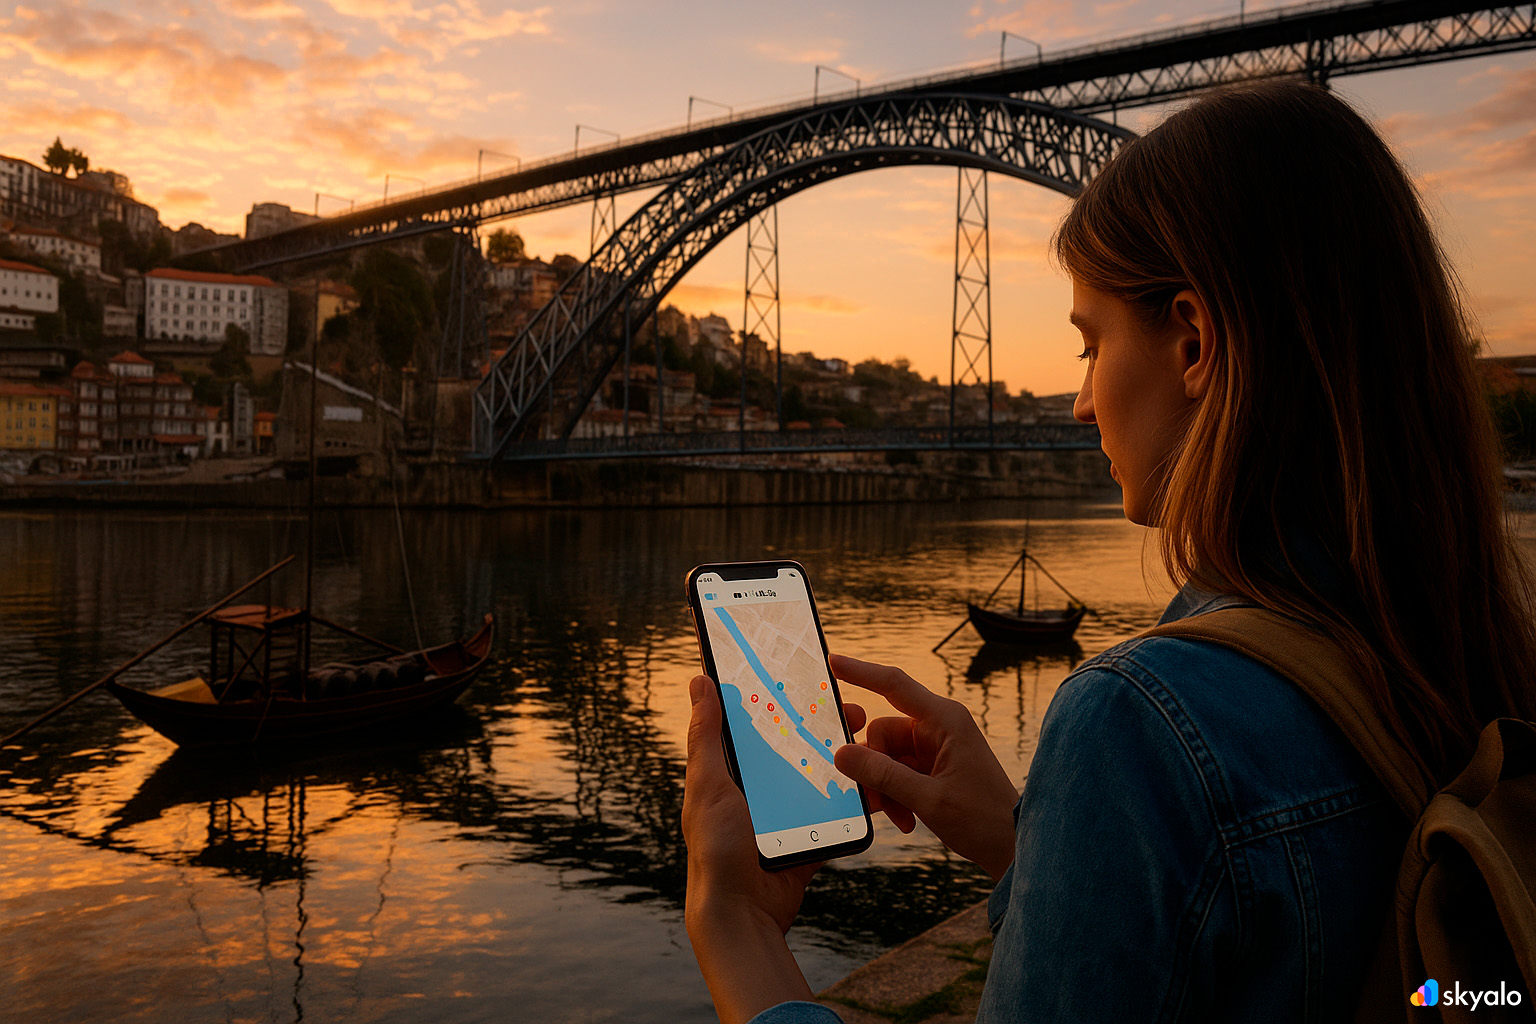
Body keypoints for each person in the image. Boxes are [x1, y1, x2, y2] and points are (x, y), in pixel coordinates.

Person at [682, 79, 1536, 1024]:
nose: (1082, 401)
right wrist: (1038, 845)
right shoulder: (1473, 647)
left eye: (1090, 344)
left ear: (1196, 341)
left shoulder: (1140, 728)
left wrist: (739, 929)